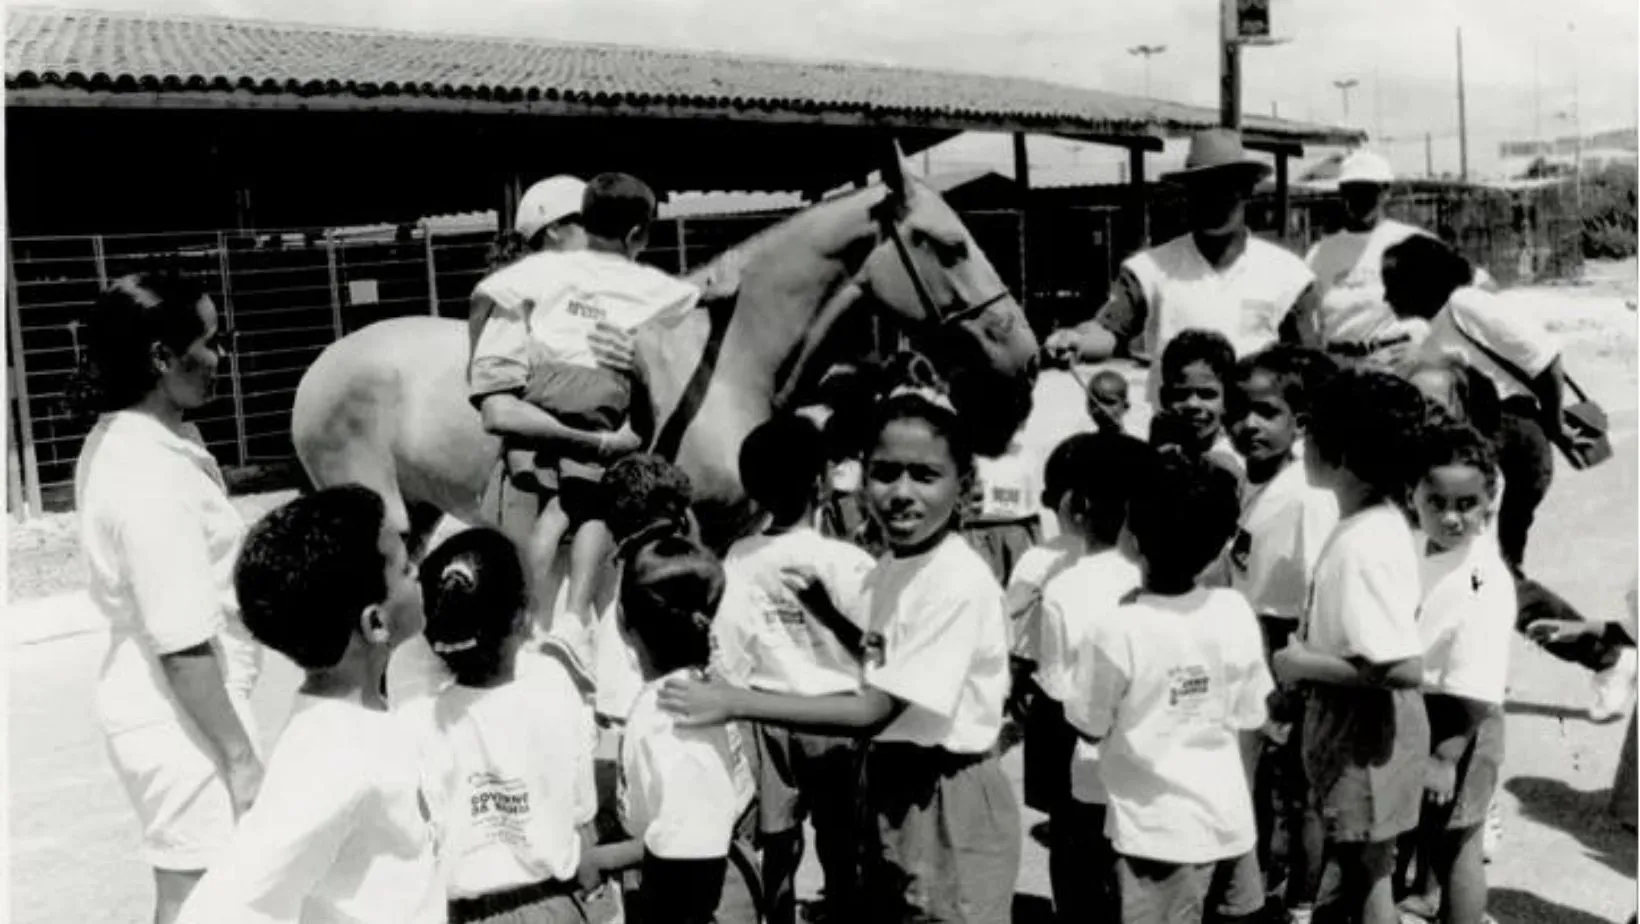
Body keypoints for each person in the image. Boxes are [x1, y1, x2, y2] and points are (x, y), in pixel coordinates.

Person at [658, 367, 1021, 923]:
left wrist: (735, 700)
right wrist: (834, 619)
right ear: (858, 477)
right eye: (885, 473)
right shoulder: (892, 568)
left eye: (925, 475)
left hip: (946, 794)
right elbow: (885, 661)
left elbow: (873, 709)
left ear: (962, 485)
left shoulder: (954, 579)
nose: (901, 493)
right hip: (896, 780)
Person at [69, 269, 264, 924]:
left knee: (200, 894)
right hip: (181, 712)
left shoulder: (148, 440)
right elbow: (181, 643)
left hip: (176, 705)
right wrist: (239, 758)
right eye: (210, 342)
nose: (220, 358)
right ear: (162, 357)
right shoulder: (148, 477)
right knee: (202, 897)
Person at [176, 486, 442, 924]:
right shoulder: (332, 755)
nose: (418, 573)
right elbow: (221, 907)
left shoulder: (359, 721)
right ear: (375, 622)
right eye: (405, 566)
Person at [470, 172, 700, 675]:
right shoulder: (518, 307)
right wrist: (598, 441)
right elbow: (498, 409)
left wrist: (639, 362)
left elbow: (652, 389)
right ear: (553, 232)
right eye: (581, 222)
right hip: (546, 483)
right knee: (537, 645)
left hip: (599, 495)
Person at [1066, 451, 1272, 924]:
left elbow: (1088, 725)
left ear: (1131, 540)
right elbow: (1250, 713)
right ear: (1221, 543)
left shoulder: (1115, 628)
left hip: (1154, 831)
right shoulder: (1234, 610)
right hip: (1229, 821)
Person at [1272, 369, 1432, 924]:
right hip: (1356, 730)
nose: (1301, 444)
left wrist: (1300, 664)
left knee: (1366, 876)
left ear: (1339, 453)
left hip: (1365, 735)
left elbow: (1402, 667)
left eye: (1310, 434)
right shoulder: (1369, 522)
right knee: (1359, 871)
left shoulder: (1364, 545)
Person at [710, 414, 874, 924]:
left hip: (767, 719)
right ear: (821, 482)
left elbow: (729, 647)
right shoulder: (849, 562)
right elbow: (876, 649)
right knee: (842, 842)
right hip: (837, 721)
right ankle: (843, 912)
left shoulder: (740, 555)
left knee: (777, 843)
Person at [411, 527, 621, 923]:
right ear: (525, 619)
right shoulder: (554, 685)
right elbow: (581, 808)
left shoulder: (424, 717)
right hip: (554, 903)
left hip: (466, 912)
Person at [1042, 128, 1317, 405]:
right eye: (1202, 188)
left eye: (1226, 187)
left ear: (1247, 190)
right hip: (1174, 431)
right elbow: (1110, 331)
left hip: (1251, 433)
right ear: (1187, 193)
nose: (1213, 199)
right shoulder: (1149, 269)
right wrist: (1076, 340)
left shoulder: (1288, 274)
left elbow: (1307, 363)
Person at [1222, 345, 1340, 917]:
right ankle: (1267, 888)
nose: (1249, 425)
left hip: (1289, 652)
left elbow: (1318, 591)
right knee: (1266, 789)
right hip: (1251, 650)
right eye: (1239, 411)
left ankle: (1302, 904)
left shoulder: (1307, 494)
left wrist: (1295, 684)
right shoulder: (1252, 485)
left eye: (1267, 412)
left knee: (1301, 796)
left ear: (1300, 422)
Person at [1396, 422, 1515, 924]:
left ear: (1489, 501)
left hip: (1462, 724)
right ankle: (1427, 897)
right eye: (1436, 502)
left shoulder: (1483, 577)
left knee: (1458, 842)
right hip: (1425, 709)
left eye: (1466, 504)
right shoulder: (1423, 549)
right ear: (1413, 497)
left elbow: (1476, 683)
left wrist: (1446, 756)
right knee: (1431, 829)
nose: (1450, 516)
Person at [1033, 431, 1152, 923]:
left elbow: (1058, 688)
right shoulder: (1156, 576)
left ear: (1073, 504)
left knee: (1078, 867)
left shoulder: (1063, 587)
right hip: (1149, 752)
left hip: (1084, 757)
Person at [616, 532, 756, 924]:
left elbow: (691, 856)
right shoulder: (697, 688)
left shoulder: (673, 719)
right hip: (702, 874)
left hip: (696, 897)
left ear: (623, 621)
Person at [1006, 433, 1102, 814]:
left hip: (1056, 705)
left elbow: (1022, 644)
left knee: (1065, 818)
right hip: (1108, 704)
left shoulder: (1038, 559)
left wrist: (1016, 685)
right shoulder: (1134, 559)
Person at [1304, 151, 1431, 368]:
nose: (1360, 199)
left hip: (1398, 362)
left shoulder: (1414, 243)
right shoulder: (1319, 254)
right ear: (1342, 193)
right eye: (1352, 191)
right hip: (1340, 365)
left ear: (1386, 192)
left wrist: (1421, 349)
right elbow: (1309, 323)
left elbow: (1449, 307)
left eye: (1369, 191)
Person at [1151, 328, 1245, 482]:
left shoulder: (1228, 464)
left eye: (1207, 394)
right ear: (1164, 399)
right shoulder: (1164, 441)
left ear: (1229, 399)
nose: (1192, 404)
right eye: (1180, 395)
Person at [962, 433, 1044, 583]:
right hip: (978, 530)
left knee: (1021, 586)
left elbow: (1033, 508)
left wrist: (1040, 545)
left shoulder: (1026, 454)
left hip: (1017, 528)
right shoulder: (964, 450)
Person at [1085, 368, 1133, 435]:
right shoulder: (1079, 444)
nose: (1101, 408)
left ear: (1126, 406)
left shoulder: (1133, 445)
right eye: (1094, 402)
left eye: (1108, 402)